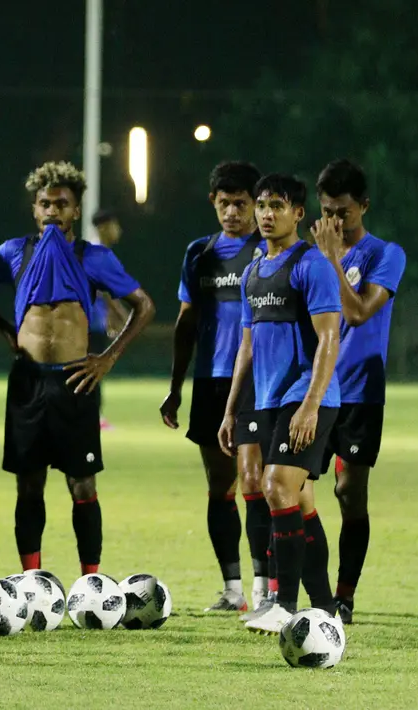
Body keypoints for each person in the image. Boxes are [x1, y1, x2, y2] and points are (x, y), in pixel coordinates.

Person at [0, 161, 155, 577]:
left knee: (82, 485)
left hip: (75, 380)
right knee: (28, 485)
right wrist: (5, 331)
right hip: (28, 381)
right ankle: (32, 581)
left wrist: (108, 358)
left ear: (75, 210)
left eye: (61, 204)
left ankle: (91, 582)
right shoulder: (13, 252)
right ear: (34, 209)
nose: (52, 211)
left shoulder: (93, 258)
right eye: (45, 204)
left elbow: (145, 305)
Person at [216, 174, 342, 635]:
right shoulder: (252, 272)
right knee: (301, 502)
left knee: (274, 488)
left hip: (307, 396)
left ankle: (284, 606)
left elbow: (330, 336)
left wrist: (310, 405)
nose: (267, 214)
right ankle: (326, 608)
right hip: (266, 400)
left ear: (298, 214)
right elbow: (245, 348)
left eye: (277, 206)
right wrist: (231, 410)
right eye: (263, 205)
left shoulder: (312, 266)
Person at [159, 161, 271, 614]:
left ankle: (267, 590)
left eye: (241, 203)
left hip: (256, 381)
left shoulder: (268, 250)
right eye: (224, 203)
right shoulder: (198, 253)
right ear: (213, 202)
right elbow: (186, 324)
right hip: (209, 380)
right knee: (219, 484)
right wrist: (175, 387)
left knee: (253, 480)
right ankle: (232, 590)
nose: (232, 212)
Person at [310, 159, 405, 624]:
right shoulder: (308, 254)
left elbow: (360, 313)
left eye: (343, 212)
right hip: (312, 391)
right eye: (327, 211)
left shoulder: (386, 254)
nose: (334, 222)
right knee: (290, 489)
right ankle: (301, 593)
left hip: (360, 394)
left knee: (349, 493)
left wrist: (329, 259)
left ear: (363, 206)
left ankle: (344, 597)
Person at [89, 210, 128, 430]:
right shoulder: (98, 252)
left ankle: (92, 416)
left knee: (93, 370)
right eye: (115, 225)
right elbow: (104, 290)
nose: (118, 230)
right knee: (93, 370)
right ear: (104, 227)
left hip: (95, 321)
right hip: (89, 323)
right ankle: (93, 417)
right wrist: (122, 316)